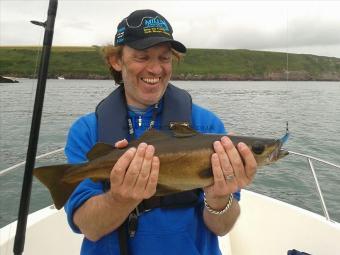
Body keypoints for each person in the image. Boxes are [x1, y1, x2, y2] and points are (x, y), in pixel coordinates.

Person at [64, 9, 257, 255]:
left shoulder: (208, 126)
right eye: (142, 57)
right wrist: (120, 199)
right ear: (116, 60)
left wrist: (219, 199)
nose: (155, 69)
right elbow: (88, 227)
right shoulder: (87, 131)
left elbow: (222, 227)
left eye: (164, 58)